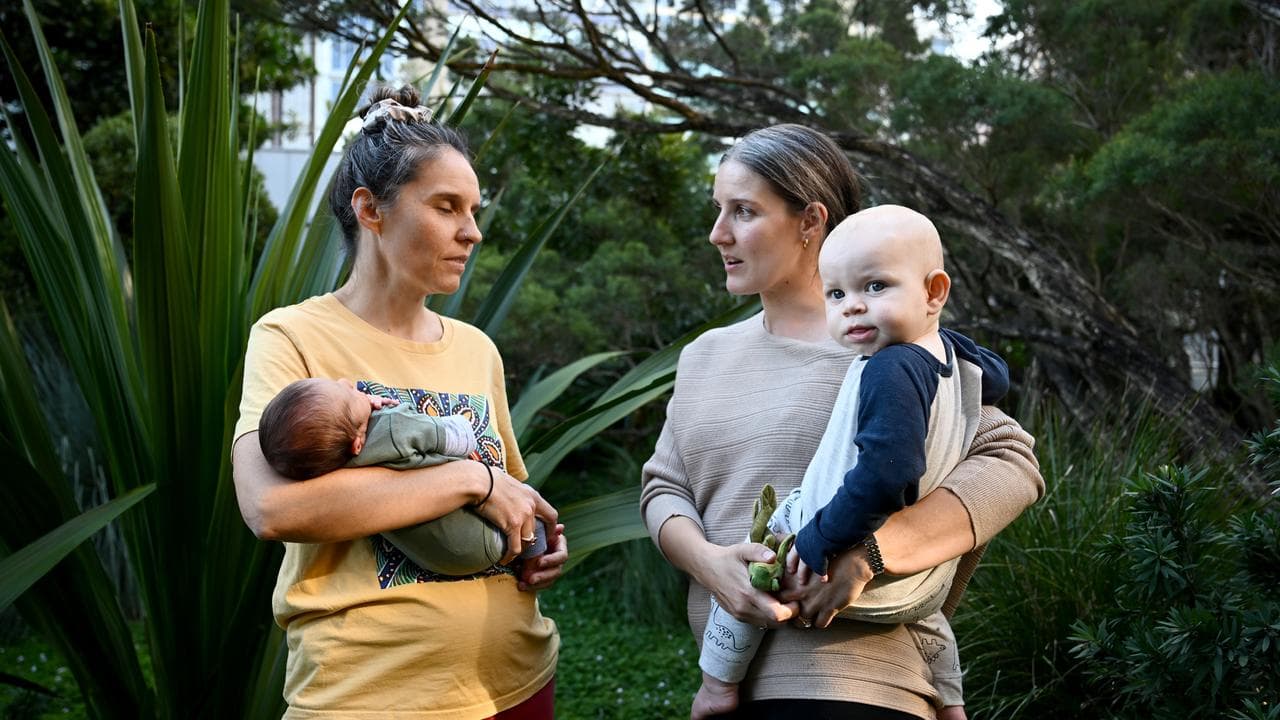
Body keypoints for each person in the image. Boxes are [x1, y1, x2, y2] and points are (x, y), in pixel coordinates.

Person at [639, 124, 1044, 720]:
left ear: (810, 221)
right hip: (726, 686)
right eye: (718, 210)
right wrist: (711, 567)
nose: (717, 233)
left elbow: (1011, 468)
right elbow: (662, 488)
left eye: (743, 211)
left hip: (854, 684)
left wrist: (868, 555)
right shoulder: (705, 355)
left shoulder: (888, 352)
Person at [230, 85, 566, 719]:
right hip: (370, 695)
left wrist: (536, 539)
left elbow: (510, 492)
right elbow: (271, 508)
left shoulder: (476, 350)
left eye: (473, 210)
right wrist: (469, 479)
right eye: (446, 207)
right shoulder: (291, 336)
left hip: (517, 679)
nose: (472, 233)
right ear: (370, 209)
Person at [693, 205, 1010, 719]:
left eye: (876, 287)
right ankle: (949, 699)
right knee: (930, 619)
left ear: (935, 292)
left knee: (750, 571)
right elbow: (993, 374)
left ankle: (716, 684)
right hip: (914, 577)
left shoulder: (890, 368)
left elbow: (888, 474)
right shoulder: (950, 359)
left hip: (839, 541)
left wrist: (818, 541)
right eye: (837, 294)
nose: (852, 308)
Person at [257, 377, 548, 576]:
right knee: (533, 521)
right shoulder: (393, 425)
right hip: (483, 537)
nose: (346, 382)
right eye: (346, 394)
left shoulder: (335, 469)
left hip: (442, 560)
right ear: (357, 442)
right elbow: (459, 437)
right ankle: (535, 556)